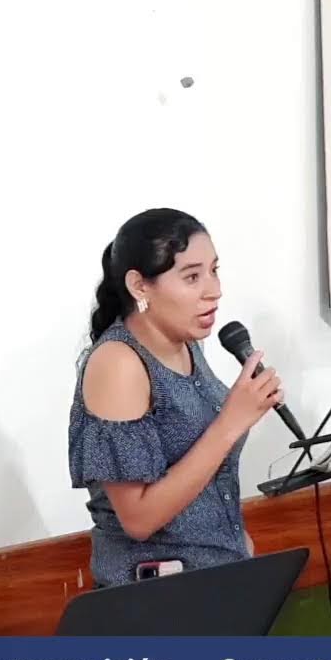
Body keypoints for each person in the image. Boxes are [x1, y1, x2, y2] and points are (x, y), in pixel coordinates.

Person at [68, 208, 283, 588]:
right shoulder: (118, 362)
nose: (214, 290)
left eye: (214, 271)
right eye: (192, 277)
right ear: (140, 286)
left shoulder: (186, 344)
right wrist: (231, 421)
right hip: (156, 605)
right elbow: (138, 518)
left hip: (221, 579)